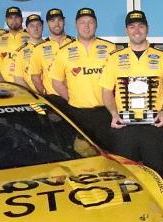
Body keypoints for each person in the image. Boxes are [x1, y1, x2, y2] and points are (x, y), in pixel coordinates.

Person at [101, 10, 163, 176]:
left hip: (153, 125)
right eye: (132, 26)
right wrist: (114, 114)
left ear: (147, 28)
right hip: (124, 126)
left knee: (156, 173)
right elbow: (106, 91)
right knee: (127, 175)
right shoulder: (115, 57)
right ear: (126, 30)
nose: (137, 30)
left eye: (141, 26)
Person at [48, 8, 121, 151]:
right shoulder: (64, 51)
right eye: (82, 22)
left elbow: (121, 80)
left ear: (96, 24)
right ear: (76, 24)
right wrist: (71, 98)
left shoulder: (110, 48)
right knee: (80, 154)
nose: (86, 26)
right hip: (78, 114)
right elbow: (56, 81)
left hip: (105, 113)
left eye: (90, 22)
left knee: (109, 155)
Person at [29, 8, 74, 104]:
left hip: (76, 97)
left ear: (64, 22)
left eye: (59, 20)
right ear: (47, 24)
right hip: (54, 100)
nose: (56, 24)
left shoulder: (75, 43)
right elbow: (35, 77)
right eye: (52, 21)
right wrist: (45, 95)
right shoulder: (39, 48)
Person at [0, 6, 29, 82]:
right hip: (5, 87)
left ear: (22, 19)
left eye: (16, 17)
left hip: (28, 86)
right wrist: (4, 85)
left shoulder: (31, 37)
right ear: (6, 20)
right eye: (10, 18)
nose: (13, 20)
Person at [11, 14, 45, 92]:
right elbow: (18, 78)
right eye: (32, 26)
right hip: (33, 96)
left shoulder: (52, 47)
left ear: (42, 27)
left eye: (38, 25)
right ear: (27, 29)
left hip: (53, 95)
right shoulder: (19, 52)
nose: (35, 28)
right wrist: (34, 95)